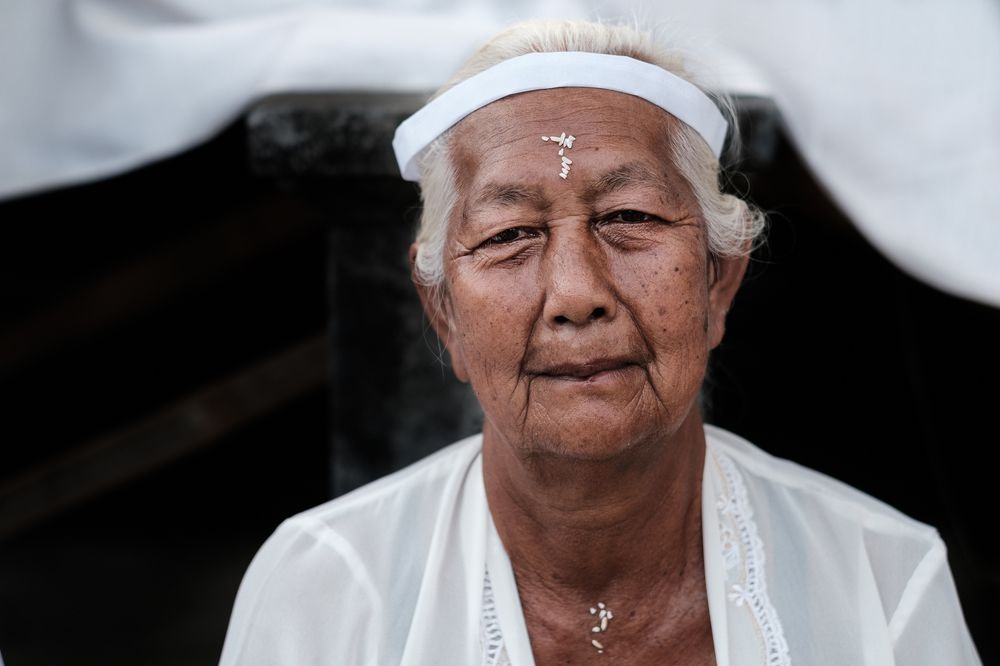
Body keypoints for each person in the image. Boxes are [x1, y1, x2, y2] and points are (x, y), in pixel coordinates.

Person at [219, 19, 981, 665]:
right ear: (444, 313)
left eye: (629, 218)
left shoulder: (880, 580)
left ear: (718, 282)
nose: (576, 293)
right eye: (510, 234)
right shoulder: (325, 591)